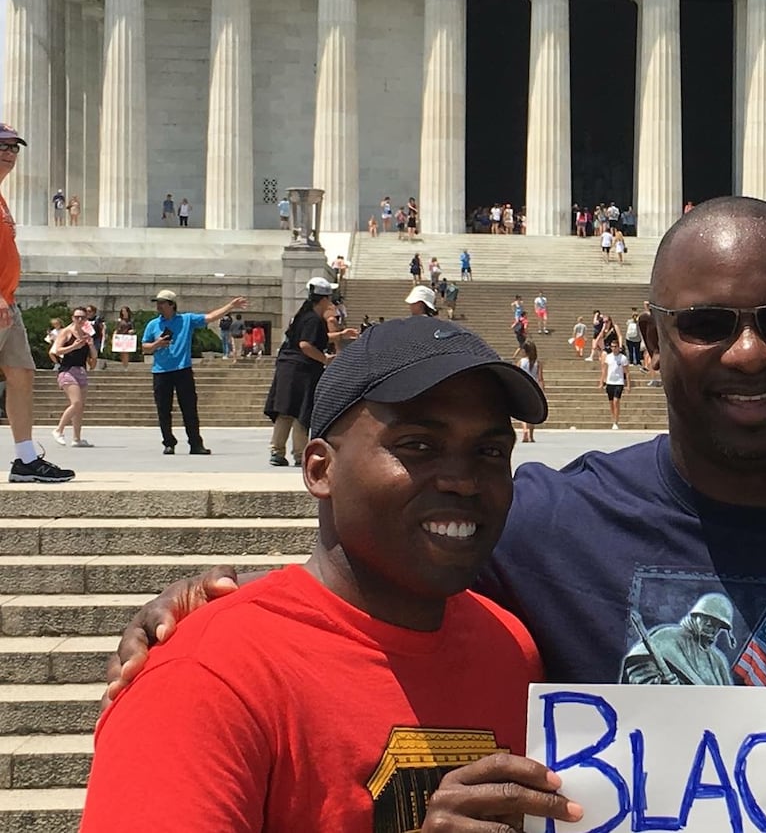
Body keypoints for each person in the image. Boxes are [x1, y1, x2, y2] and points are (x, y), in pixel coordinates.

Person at [108, 199, 766, 780]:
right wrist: (211, 613)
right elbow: (378, 566)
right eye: (707, 324)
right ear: (653, 340)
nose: (748, 352)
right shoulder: (544, 526)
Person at [79, 316, 573, 832]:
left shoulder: (510, 646)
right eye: (418, 446)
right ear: (320, 469)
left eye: (490, 452)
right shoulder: (204, 677)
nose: (463, 480)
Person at [0, 123, 74, 482]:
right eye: (2, 146)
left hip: (7, 302)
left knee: (22, 374)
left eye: (14, 147)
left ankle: (26, 458)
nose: (9, 153)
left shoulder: (0, 198)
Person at [264, 277, 356, 468]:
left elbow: (316, 338)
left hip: (288, 366)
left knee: (286, 410)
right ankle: (299, 453)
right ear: (324, 299)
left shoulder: (304, 316)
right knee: (301, 411)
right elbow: (305, 344)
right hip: (301, 369)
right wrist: (325, 360)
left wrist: (341, 335)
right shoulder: (313, 319)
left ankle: (277, 450)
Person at [143, 290, 246, 455]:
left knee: (189, 408)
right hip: (161, 371)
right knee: (163, 409)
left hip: (183, 370)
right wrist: (156, 344)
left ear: (172, 305)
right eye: (158, 303)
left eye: (162, 303)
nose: (159, 306)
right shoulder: (153, 324)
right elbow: (144, 347)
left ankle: (195, 443)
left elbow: (210, 317)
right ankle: (168, 442)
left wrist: (230, 306)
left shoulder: (186, 320)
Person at [48, 306, 96, 448]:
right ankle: (58, 430)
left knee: (80, 407)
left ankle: (77, 438)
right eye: (77, 317)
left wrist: (91, 345)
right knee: (76, 403)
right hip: (67, 371)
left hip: (81, 370)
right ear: (72, 318)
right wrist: (73, 347)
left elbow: (93, 357)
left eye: (83, 317)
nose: (80, 320)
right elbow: (57, 350)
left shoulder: (87, 335)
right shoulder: (66, 332)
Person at [516, 341, 544, 443]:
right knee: (532, 413)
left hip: (522, 388)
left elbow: (516, 375)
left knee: (523, 412)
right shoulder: (538, 363)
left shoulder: (521, 362)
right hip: (534, 389)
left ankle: (525, 431)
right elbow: (540, 378)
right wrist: (542, 390)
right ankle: (531, 436)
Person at [599, 341, 629, 430]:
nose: (614, 348)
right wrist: (601, 382)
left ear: (618, 347)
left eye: (615, 346)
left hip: (619, 382)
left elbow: (627, 372)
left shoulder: (623, 358)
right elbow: (604, 370)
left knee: (616, 401)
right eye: (612, 347)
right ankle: (614, 419)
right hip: (610, 382)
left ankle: (616, 421)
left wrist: (628, 385)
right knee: (611, 403)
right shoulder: (608, 357)